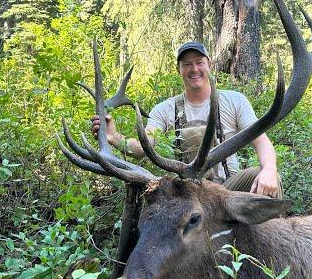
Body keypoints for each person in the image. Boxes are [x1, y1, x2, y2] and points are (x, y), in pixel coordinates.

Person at [91, 41, 282, 198]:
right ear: (179, 70)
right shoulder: (164, 110)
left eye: (199, 62)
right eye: (187, 64)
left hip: (228, 189)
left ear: (209, 65)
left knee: (265, 176)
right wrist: (114, 137)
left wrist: (270, 169)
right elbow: (143, 147)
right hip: (186, 195)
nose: (194, 69)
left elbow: (261, 141)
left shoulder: (234, 101)